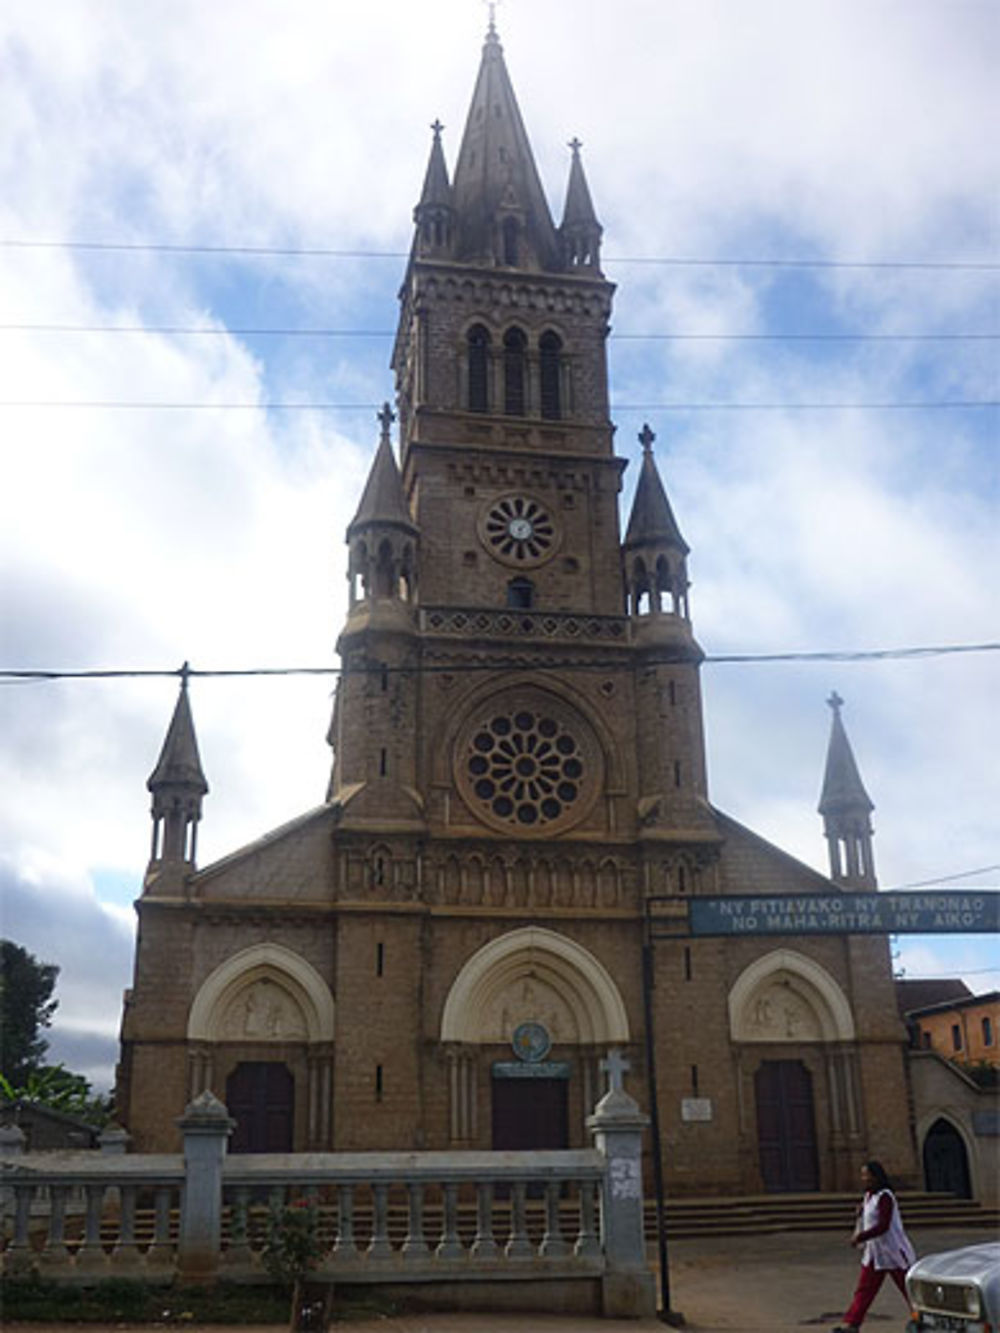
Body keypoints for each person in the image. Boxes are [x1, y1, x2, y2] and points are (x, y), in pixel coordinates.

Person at [831, 1160, 916, 1333]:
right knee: (865, 1290)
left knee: (908, 1289)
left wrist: (861, 1237)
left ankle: (922, 1318)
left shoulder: (885, 1196)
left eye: (866, 1175)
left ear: (876, 1176)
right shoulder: (869, 1196)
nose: (864, 1179)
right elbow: (870, 1216)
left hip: (892, 1251)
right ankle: (853, 1324)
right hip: (875, 1253)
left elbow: (883, 1225)